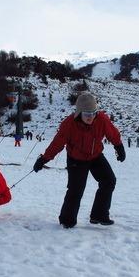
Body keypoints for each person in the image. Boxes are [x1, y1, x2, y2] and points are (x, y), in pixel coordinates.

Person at [33, 92, 125, 228]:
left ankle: (99, 215)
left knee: (109, 180)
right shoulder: (69, 124)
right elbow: (57, 144)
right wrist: (44, 159)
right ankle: (67, 220)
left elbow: (112, 133)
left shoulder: (101, 119)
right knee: (76, 189)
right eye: (87, 114)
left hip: (95, 156)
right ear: (79, 113)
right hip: (76, 158)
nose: (91, 118)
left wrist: (119, 147)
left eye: (93, 113)